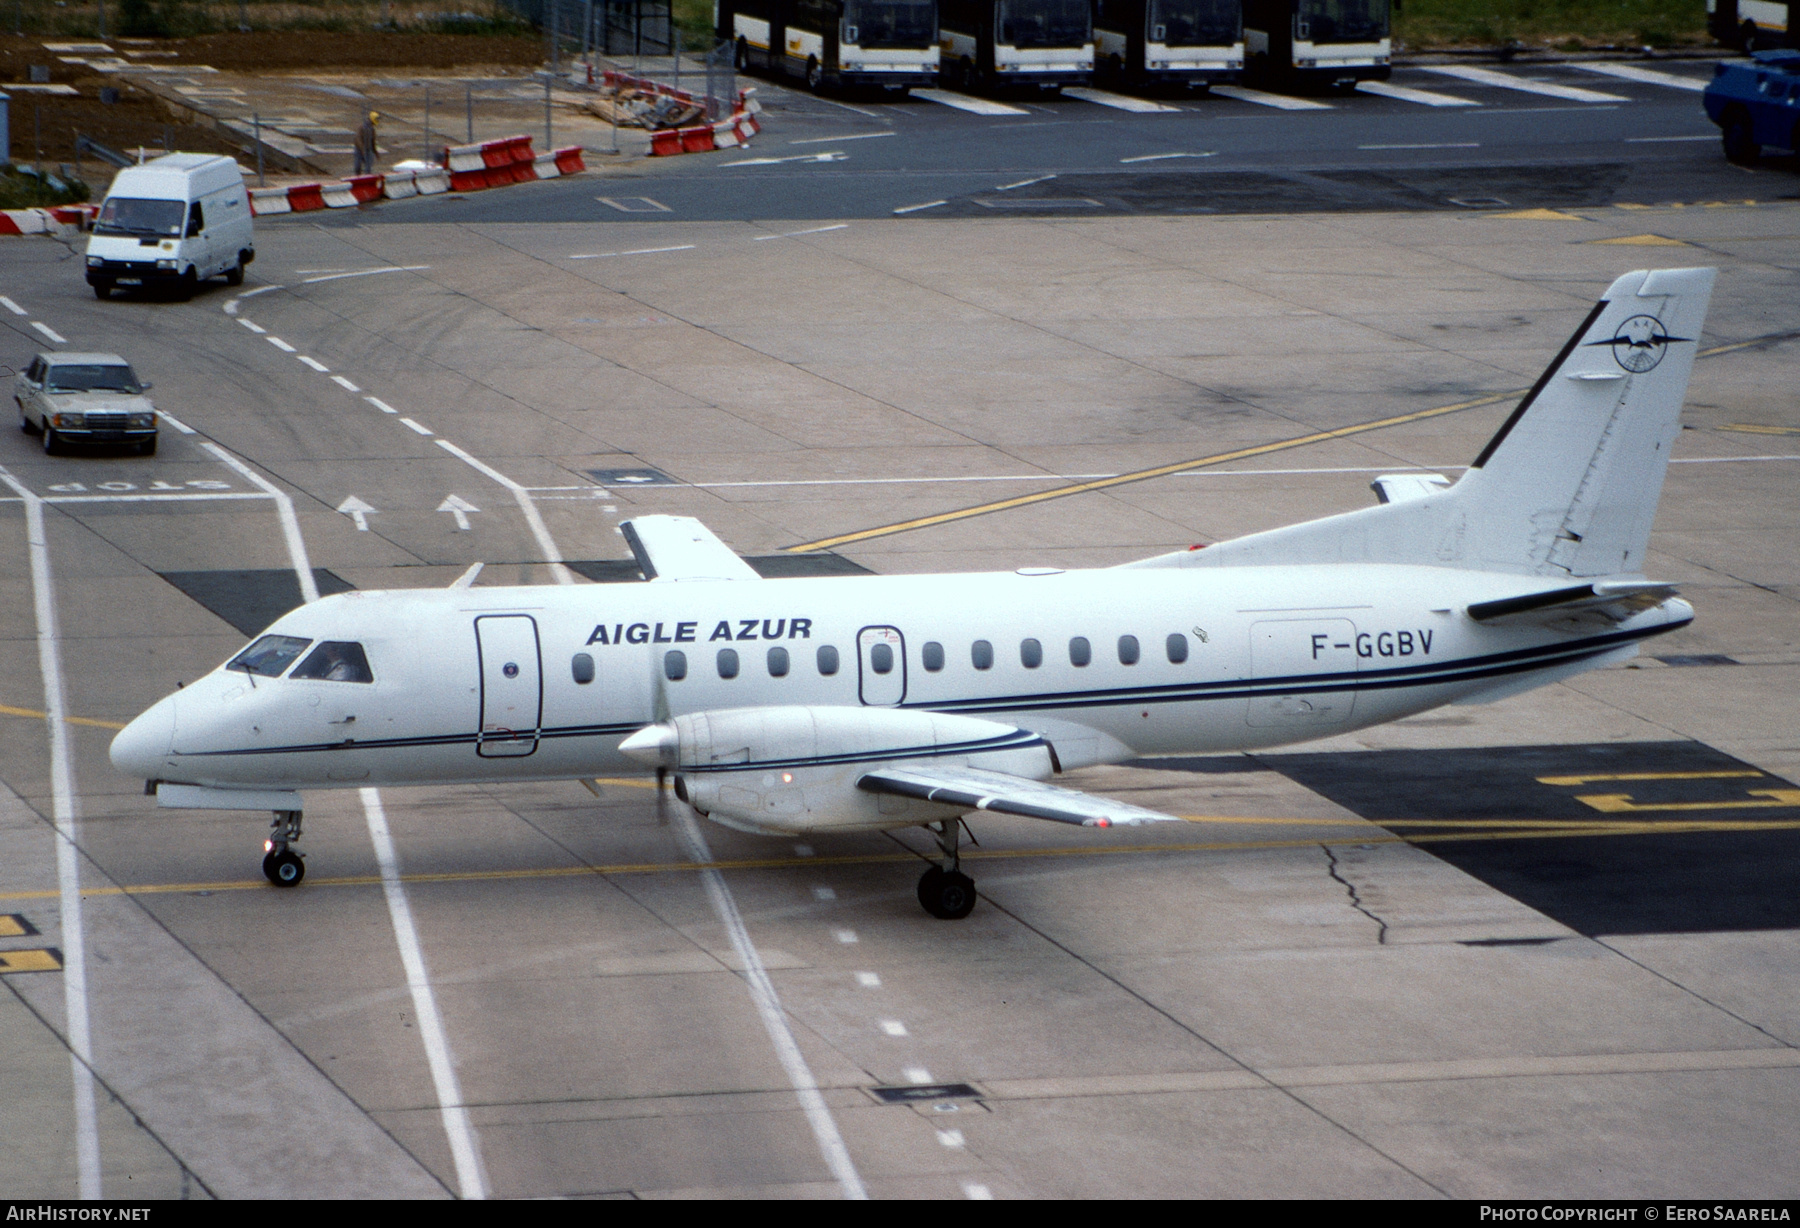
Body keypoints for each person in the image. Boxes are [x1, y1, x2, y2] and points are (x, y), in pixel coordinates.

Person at [354, 111, 379, 176]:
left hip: (368, 149)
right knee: (357, 166)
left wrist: (375, 152)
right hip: (359, 150)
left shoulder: (372, 129)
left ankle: (367, 177)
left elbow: (373, 141)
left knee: (368, 168)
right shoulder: (362, 127)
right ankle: (358, 176)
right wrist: (362, 149)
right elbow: (358, 139)